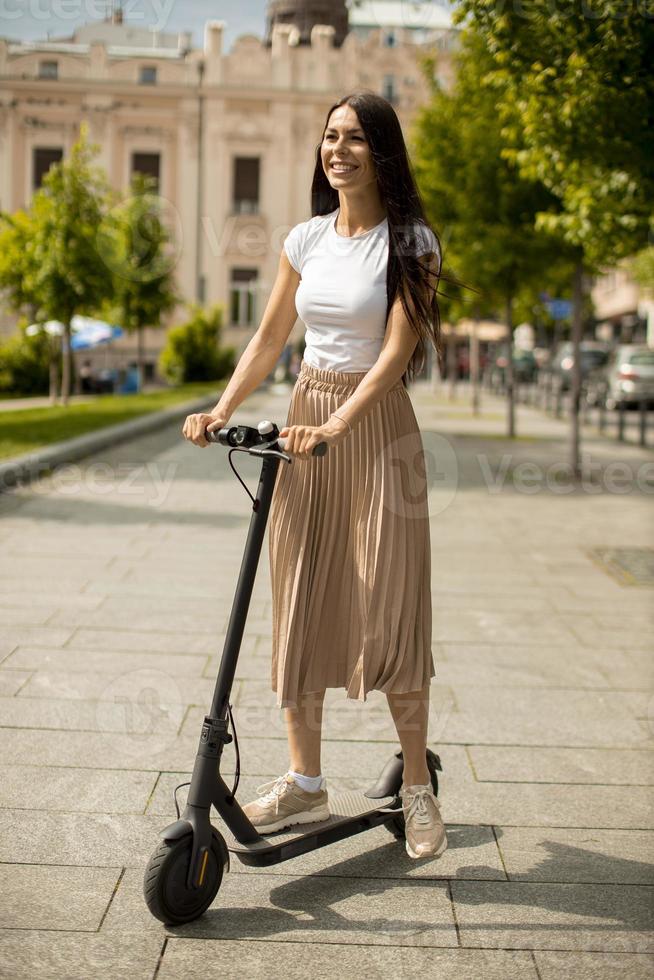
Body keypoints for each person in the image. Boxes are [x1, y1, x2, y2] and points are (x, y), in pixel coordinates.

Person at [183, 92, 448, 860]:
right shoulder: (304, 239)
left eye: (356, 138)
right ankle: (305, 780)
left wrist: (339, 423)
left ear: (382, 151)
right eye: (330, 137)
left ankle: (418, 788)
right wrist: (221, 406)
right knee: (299, 595)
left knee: (391, 601)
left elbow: (396, 352)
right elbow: (270, 337)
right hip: (304, 426)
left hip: (376, 427)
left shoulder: (412, 242)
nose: (339, 149)